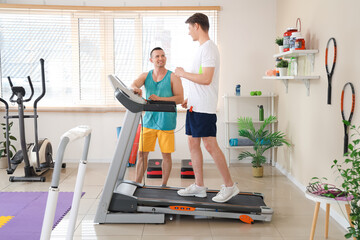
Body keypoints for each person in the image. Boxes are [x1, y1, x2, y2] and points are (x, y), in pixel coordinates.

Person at [175, 13, 239, 203]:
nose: (188, 33)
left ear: (196, 26)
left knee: (210, 145)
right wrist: (189, 98)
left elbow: (206, 78)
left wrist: (182, 74)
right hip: (195, 105)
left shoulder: (209, 49)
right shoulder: (201, 49)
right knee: (192, 144)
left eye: (189, 28)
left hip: (205, 108)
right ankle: (199, 186)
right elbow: (201, 80)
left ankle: (230, 186)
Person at [131, 47, 184, 187]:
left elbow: (180, 98)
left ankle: (164, 185)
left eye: (163, 55)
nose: (160, 58)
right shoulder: (145, 75)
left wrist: (160, 98)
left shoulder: (173, 77)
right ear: (151, 60)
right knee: (142, 154)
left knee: (166, 155)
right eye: (157, 56)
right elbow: (134, 83)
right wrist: (135, 89)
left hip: (166, 122)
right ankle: (137, 183)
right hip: (149, 121)